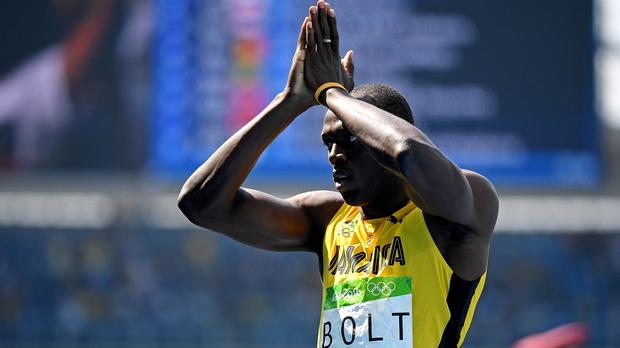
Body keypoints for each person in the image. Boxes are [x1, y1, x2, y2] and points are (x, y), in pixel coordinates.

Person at [178, 1, 499, 347]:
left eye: (348, 140)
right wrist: (290, 101)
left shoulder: (457, 209)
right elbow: (200, 204)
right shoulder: (327, 220)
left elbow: (410, 154)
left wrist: (331, 93)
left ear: (380, 139)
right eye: (328, 143)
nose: (334, 155)